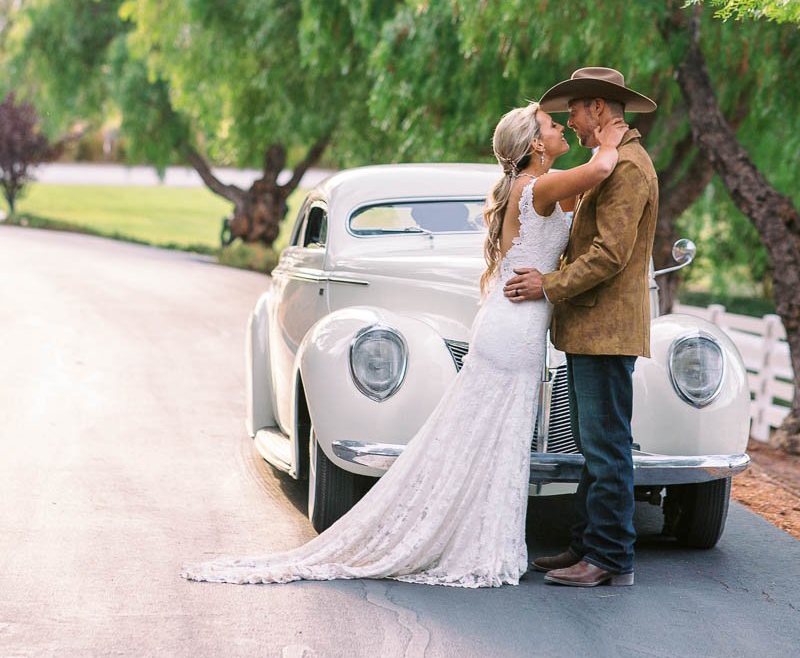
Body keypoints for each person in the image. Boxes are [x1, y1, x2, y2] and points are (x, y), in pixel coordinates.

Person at [182, 100, 627, 588]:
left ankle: (488, 537)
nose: (563, 126)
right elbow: (603, 166)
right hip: (513, 330)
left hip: (513, 325)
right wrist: (611, 130)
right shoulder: (535, 186)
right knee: (498, 438)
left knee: (498, 439)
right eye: (551, 124)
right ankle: (481, 541)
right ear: (535, 144)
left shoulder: (532, 188)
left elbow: (577, 208)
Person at [503, 66, 658, 589]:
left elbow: (609, 254)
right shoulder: (607, 162)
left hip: (606, 329)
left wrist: (547, 283)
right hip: (592, 327)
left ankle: (611, 558)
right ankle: (585, 544)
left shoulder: (629, 167)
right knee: (595, 447)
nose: (569, 120)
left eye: (574, 108)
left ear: (598, 108)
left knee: (607, 446)